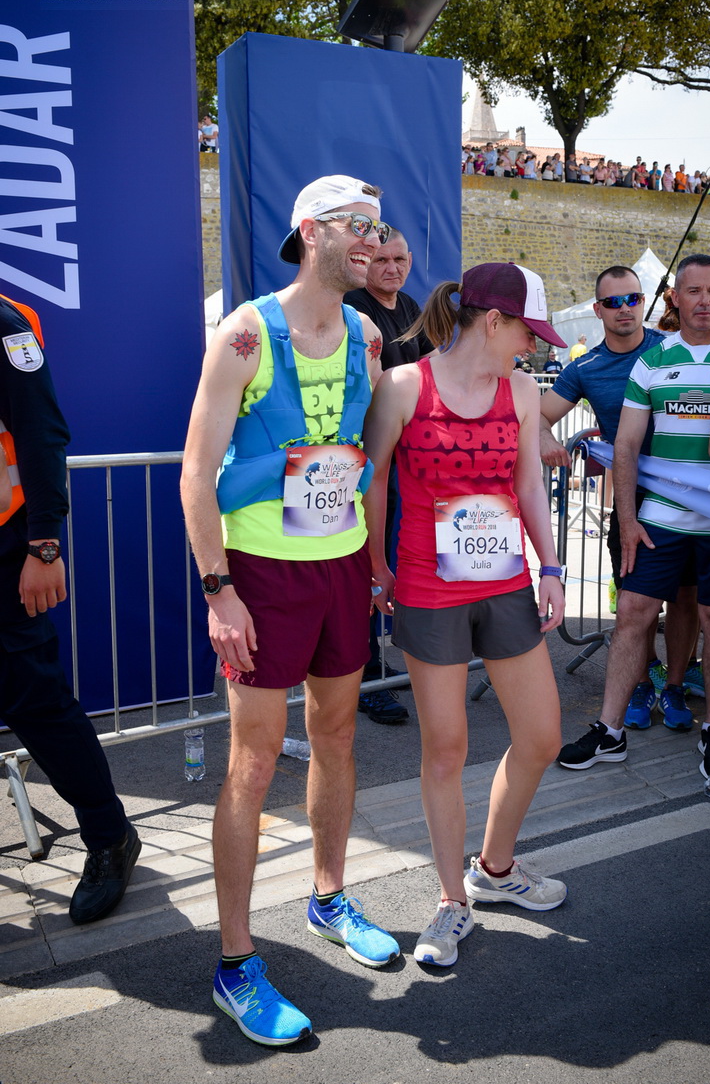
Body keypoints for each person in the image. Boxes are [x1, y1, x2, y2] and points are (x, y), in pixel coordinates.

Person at [180, 175, 399, 1048]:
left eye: (378, 227)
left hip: (338, 564)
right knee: (254, 759)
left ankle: (328, 896)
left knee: (339, 735)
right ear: (312, 232)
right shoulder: (243, 333)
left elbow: (355, 457)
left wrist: (375, 562)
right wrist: (216, 587)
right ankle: (236, 963)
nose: (375, 242)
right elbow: (196, 470)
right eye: (359, 226)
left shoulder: (368, 336)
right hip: (260, 574)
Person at [363, 262, 568, 968]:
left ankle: (495, 868)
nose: (534, 348)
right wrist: (376, 565)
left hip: (505, 582)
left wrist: (550, 566)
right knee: (445, 748)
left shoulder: (517, 389)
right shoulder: (403, 385)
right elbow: (378, 477)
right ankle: (452, 901)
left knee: (541, 735)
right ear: (493, 321)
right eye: (527, 333)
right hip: (427, 587)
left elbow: (527, 483)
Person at [557, 255, 710, 780]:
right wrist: (626, 519)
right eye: (695, 292)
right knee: (633, 616)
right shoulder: (654, 359)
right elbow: (625, 445)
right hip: (660, 519)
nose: (706, 301)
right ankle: (609, 730)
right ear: (676, 299)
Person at [0, 295, 140, 926]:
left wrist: (45, 545)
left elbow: (42, 432)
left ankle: (110, 838)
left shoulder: (4, 324)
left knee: (38, 702)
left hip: (7, 551)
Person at [539, 266, 700, 718]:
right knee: (633, 598)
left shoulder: (670, 350)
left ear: (643, 299)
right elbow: (536, 415)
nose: (625, 309)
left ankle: (674, 683)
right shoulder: (585, 367)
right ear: (598, 310)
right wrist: (546, 439)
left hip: (686, 495)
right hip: (631, 500)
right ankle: (645, 676)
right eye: (613, 302)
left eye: (632, 299)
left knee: (685, 596)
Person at [345, 228, 434, 723]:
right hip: (362, 459)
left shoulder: (412, 308)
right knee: (365, 565)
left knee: (400, 562)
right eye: (382, 260)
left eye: (399, 259)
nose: (392, 268)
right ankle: (366, 676)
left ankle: (399, 666)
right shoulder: (353, 308)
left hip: (405, 461)